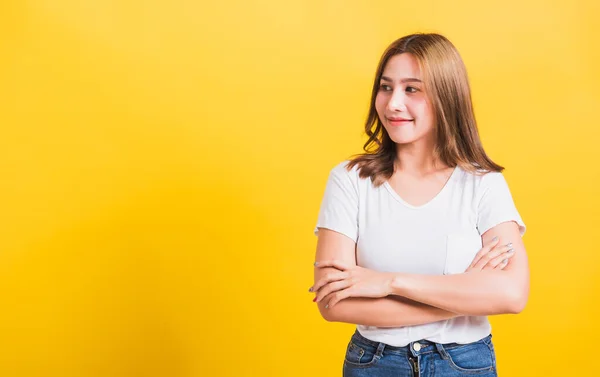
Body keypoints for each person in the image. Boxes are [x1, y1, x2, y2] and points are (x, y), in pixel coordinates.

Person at [310, 33, 529, 377]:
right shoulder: (349, 180)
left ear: (447, 96)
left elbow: (512, 294)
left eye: (412, 89)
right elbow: (333, 302)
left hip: (464, 364)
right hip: (375, 363)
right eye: (386, 87)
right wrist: (462, 295)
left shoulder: (483, 184)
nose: (393, 103)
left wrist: (390, 282)